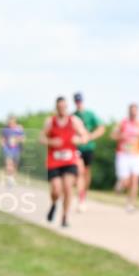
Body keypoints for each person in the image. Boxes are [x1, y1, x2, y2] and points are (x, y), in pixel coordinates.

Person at [39, 96, 88, 228]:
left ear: (67, 107)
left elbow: (85, 136)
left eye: (64, 107)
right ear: (56, 108)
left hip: (69, 160)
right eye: (59, 107)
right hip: (54, 161)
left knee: (67, 188)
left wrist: (79, 139)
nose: (62, 109)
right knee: (56, 190)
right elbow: (41, 138)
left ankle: (65, 217)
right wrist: (51, 142)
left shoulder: (74, 121)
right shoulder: (50, 122)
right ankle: (54, 203)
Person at [111, 103, 139, 212]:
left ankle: (130, 204)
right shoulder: (122, 123)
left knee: (135, 180)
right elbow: (112, 136)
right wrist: (121, 136)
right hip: (123, 154)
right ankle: (120, 183)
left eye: (135, 111)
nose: (133, 113)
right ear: (128, 111)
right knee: (126, 182)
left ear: (138, 112)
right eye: (131, 111)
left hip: (137, 155)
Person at [73, 92, 105, 212]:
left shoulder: (90, 114)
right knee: (79, 172)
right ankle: (80, 199)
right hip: (77, 148)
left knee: (86, 173)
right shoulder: (73, 116)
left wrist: (90, 136)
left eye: (80, 101)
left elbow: (101, 128)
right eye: (77, 101)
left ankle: (83, 195)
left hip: (89, 148)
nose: (78, 103)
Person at [0, 115, 25, 187]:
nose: (11, 123)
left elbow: (23, 139)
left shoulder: (19, 129)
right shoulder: (5, 129)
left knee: (15, 165)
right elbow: (2, 139)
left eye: (13, 122)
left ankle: (12, 178)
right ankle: (9, 179)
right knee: (8, 164)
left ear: (15, 122)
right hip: (8, 149)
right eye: (10, 122)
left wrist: (17, 140)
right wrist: (3, 146)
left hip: (16, 150)